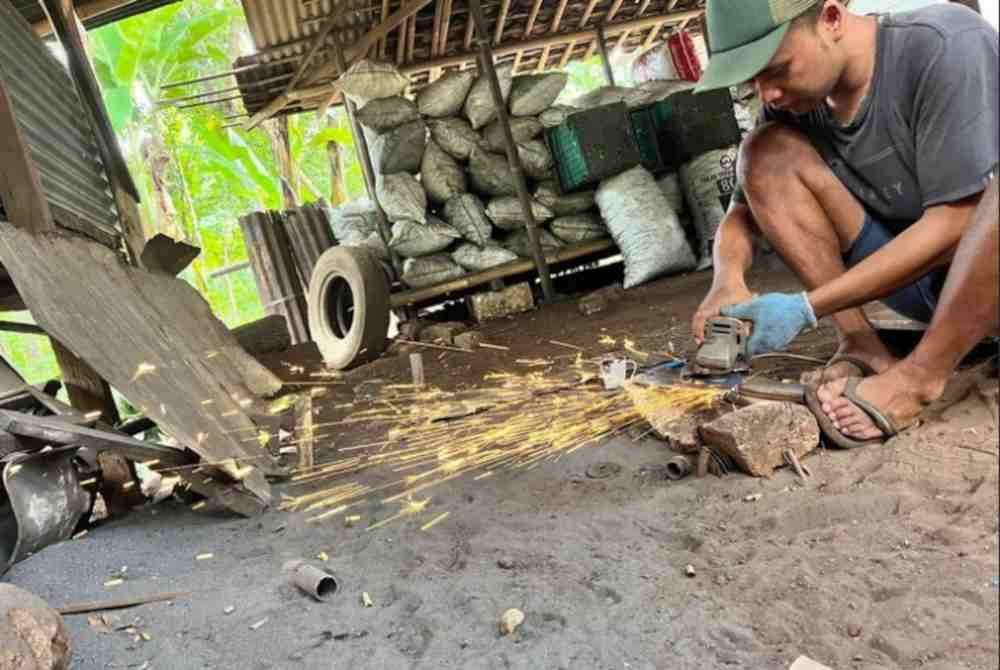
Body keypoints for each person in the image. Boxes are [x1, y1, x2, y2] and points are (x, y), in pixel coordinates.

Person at [690, 0, 999, 446]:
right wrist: (727, 277)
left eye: (777, 69)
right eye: (754, 81)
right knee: (762, 153)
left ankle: (920, 376)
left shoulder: (946, 44)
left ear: (831, 18)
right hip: (929, 292)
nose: (768, 94)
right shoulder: (796, 103)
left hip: (985, 276)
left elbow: (957, 224)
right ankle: (861, 344)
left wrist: (807, 306)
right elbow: (741, 214)